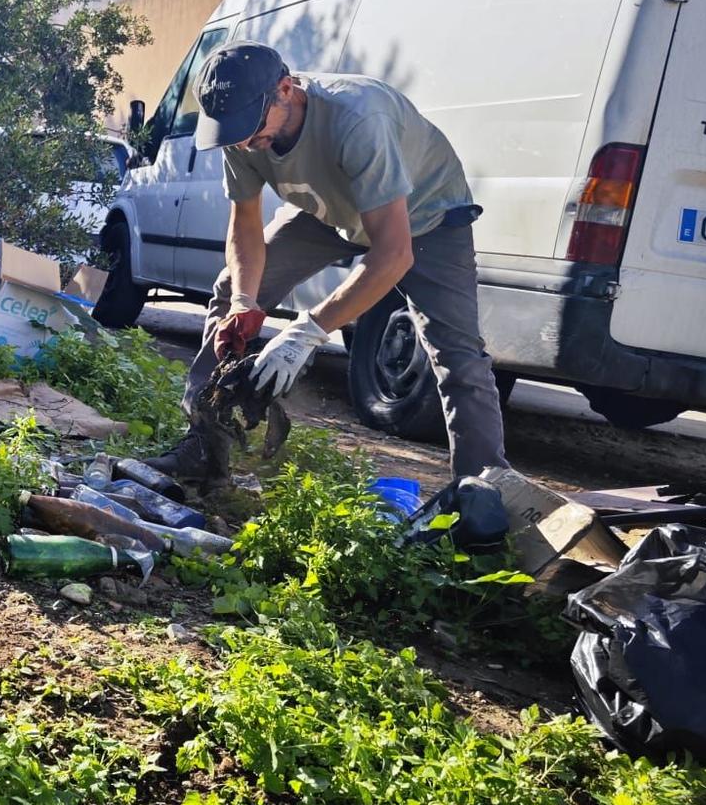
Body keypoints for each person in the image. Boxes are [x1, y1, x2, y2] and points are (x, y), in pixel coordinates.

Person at [145, 40, 510, 484]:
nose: (243, 141)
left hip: (425, 216)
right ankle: (204, 450)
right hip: (327, 210)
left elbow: (393, 254)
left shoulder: (358, 118)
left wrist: (307, 331)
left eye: (251, 126)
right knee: (231, 290)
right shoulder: (240, 131)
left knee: (458, 356)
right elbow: (245, 225)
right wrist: (244, 302)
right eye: (233, 130)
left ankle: (484, 489)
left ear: (286, 89)